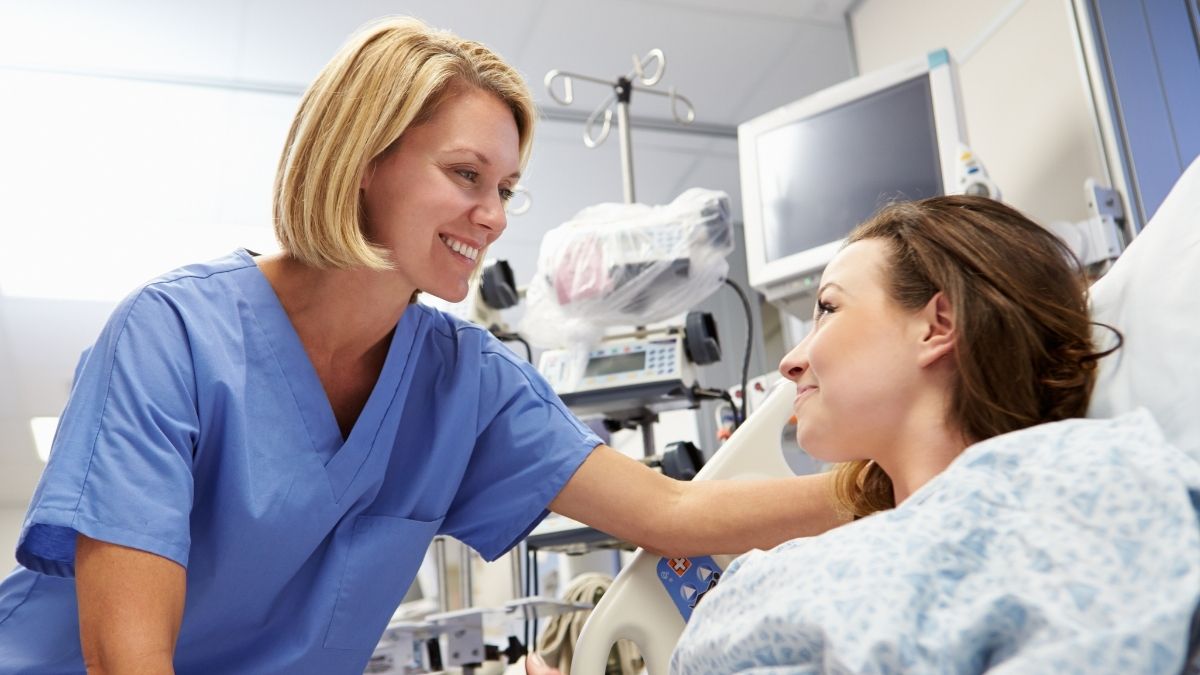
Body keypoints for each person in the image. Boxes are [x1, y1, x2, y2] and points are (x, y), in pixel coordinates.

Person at [0, 17, 844, 675]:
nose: (496, 214)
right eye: (467, 175)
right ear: (364, 157)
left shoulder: (464, 382)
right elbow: (126, 658)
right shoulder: (171, 337)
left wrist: (891, 478)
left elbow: (672, 513)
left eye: (507, 188)